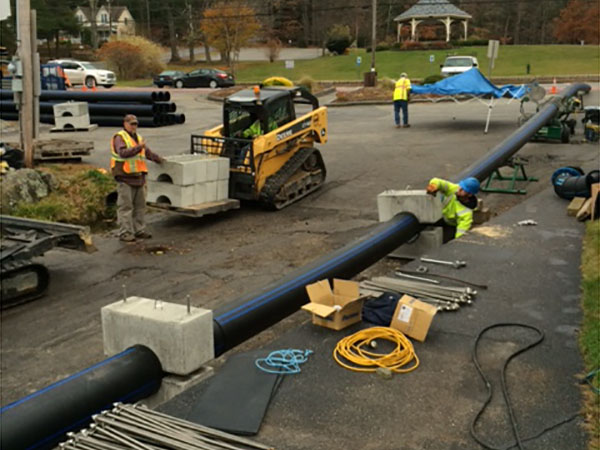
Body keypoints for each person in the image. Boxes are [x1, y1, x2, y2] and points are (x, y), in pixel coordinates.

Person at [111, 114, 164, 242]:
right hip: (125, 177)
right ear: (125, 124)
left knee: (140, 206)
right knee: (126, 207)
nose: (134, 126)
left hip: (138, 177)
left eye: (135, 124)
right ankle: (125, 232)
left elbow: (147, 153)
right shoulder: (120, 137)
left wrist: (160, 160)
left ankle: (139, 230)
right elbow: (122, 153)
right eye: (131, 124)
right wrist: (139, 147)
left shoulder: (138, 138)